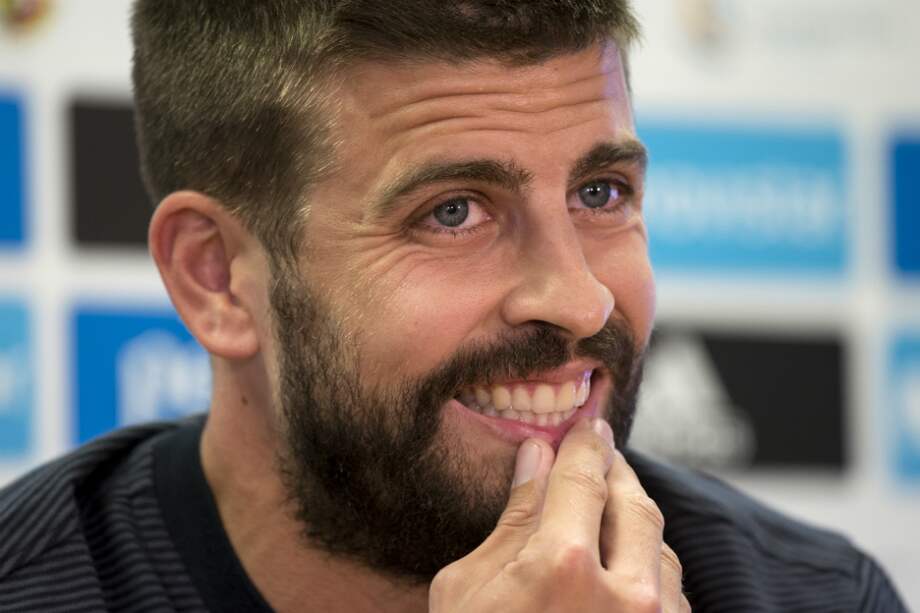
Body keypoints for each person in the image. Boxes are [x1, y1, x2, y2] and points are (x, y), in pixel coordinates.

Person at [0, 1, 907, 611]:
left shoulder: (815, 595)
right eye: (454, 211)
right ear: (216, 277)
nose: (580, 299)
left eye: (599, 193)